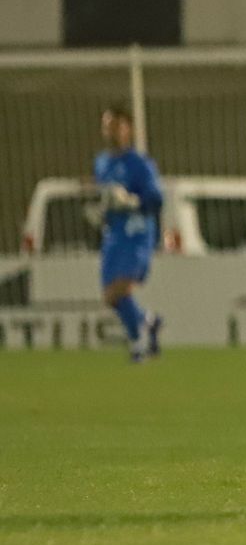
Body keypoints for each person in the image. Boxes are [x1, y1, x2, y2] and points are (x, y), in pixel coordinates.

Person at [92, 104, 164, 362]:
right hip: (115, 234)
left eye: (115, 125)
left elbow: (156, 199)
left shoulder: (140, 164)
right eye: (106, 126)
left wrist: (131, 201)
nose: (109, 131)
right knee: (110, 297)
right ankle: (149, 322)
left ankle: (139, 342)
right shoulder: (101, 163)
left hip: (137, 233)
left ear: (127, 129)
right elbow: (104, 196)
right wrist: (101, 211)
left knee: (120, 288)